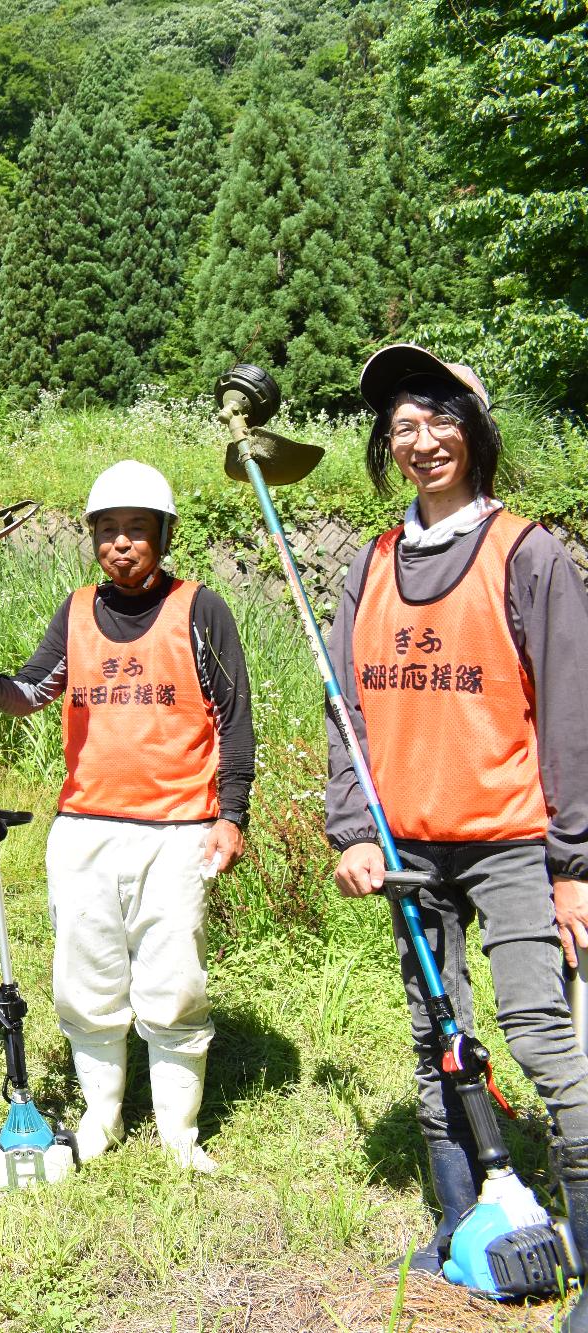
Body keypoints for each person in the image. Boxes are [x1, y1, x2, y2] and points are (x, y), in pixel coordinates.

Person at [326, 344, 588, 1289]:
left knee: (539, 1034)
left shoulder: (529, 552)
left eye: (440, 420)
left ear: (474, 431)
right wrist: (355, 830)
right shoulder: (373, 563)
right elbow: (345, 707)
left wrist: (574, 862)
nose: (422, 440)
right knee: (435, 1033)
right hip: (408, 849)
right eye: (402, 426)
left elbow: (570, 710)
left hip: (511, 840)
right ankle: (463, 1215)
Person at [0, 461, 253, 1172]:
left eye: (137, 530)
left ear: (164, 535)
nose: (121, 544)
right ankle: (102, 1117)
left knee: (174, 979)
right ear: (92, 539)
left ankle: (180, 1132)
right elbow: (32, 688)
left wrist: (230, 814)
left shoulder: (200, 609)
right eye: (107, 531)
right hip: (86, 826)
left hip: (179, 826)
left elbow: (235, 720)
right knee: (85, 976)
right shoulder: (77, 608)